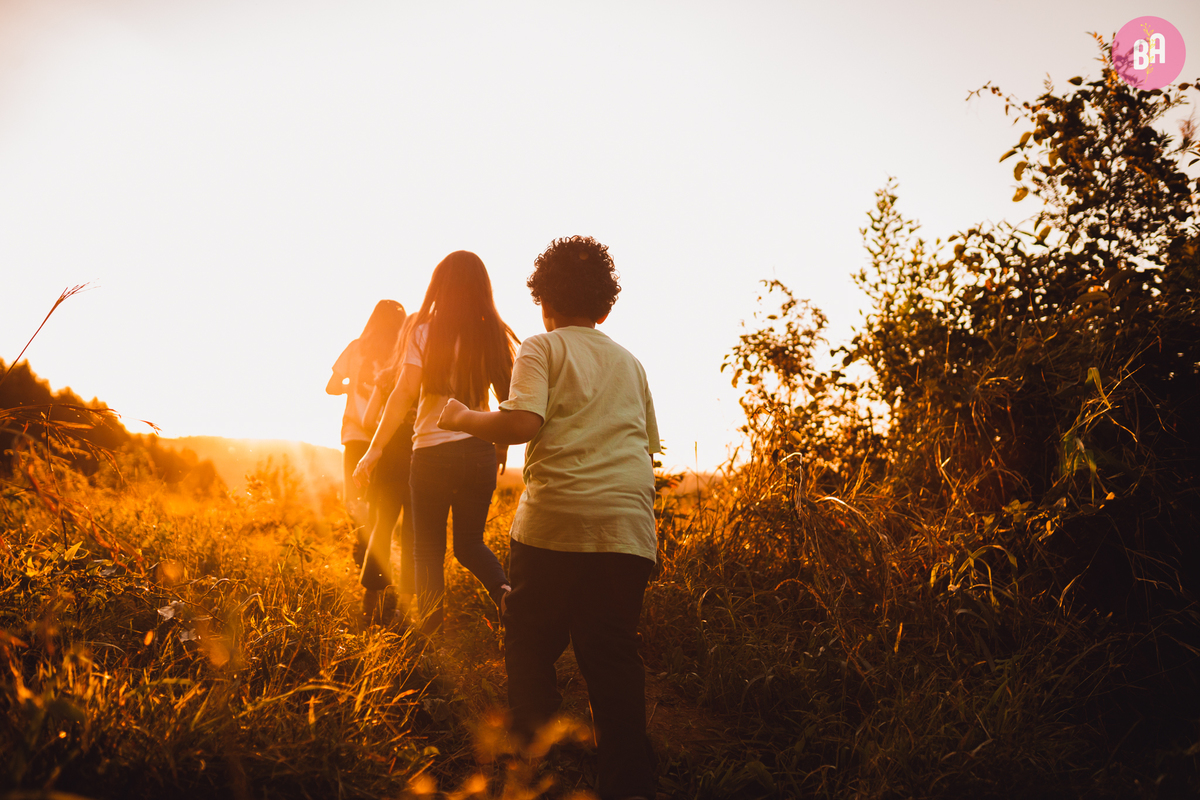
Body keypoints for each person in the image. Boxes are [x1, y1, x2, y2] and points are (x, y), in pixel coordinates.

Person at [438, 235, 659, 800]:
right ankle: (627, 787)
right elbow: (647, 446)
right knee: (613, 663)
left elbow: (522, 423)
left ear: (544, 302)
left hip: (554, 527)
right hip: (628, 533)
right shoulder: (631, 364)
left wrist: (464, 416)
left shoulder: (542, 347)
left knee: (530, 642)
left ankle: (535, 774)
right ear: (606, 306)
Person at [354, 251, 516, 635]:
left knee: (427, 550)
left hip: (430, 453)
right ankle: (504, 589)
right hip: (477, 451)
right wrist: (500, 449)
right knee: (470, 544)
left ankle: (428, 635)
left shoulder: (422, 331)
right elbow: (510, 402)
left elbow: (404, 393)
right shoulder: (491, 333)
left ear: (438, 286)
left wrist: (375, 448)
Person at [327, 300, 406, 565]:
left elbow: (331, 386)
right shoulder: (402, 351)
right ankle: (376, 554)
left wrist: (353, 387)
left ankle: (364, 552)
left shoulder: (355, 348)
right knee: (382, 501)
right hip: (387, 436)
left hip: (355, 434)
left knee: (355, 499)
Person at [358, 311, 418, 627]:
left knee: (381, 530)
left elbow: (368, 421)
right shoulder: (433, 377)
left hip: (389, 463)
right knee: (412, 535)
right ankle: (406, 609)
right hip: (420, 463)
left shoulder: (387, 375)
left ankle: (371, 603)